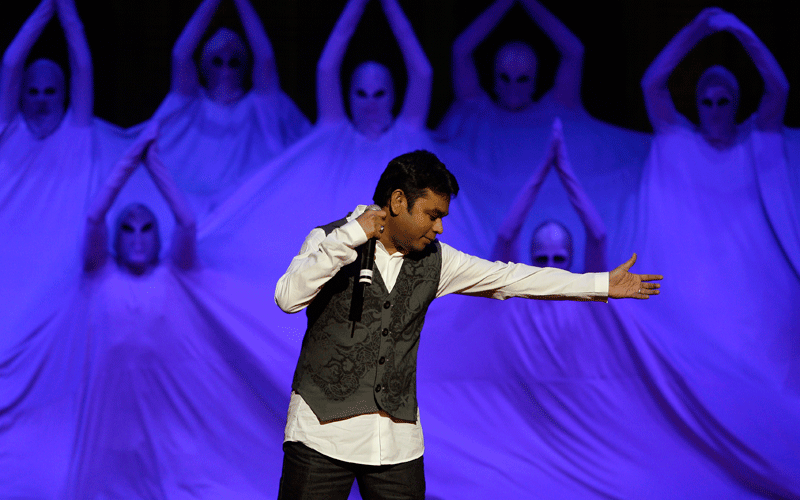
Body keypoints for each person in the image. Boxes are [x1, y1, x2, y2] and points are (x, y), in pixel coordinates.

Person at [273, 149, 661, 499]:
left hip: (395, 444)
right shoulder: (330, 240)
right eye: (433, 215)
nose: (439, 227)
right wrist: (352, 236)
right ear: (397, 202)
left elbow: (511, 279)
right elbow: (288, 298)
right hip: (320, 435)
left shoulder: (437, 261)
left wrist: (599, 284)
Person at [154, 0, 310, 218]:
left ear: (245, 66)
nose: (225, 70)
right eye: (217, 61)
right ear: (204, 66)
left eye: (234, 61)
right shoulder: (188, 105)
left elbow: (265, 58)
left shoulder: (261, 107)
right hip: (189, 211)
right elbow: (180, 55)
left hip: (245, 213)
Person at [491, 118, 607, 272]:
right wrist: (545, 166)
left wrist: (563, 166)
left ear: (570, 259)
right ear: (532, 259)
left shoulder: (585, 294)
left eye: (559, 258)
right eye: (542, 259)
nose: (550, 267)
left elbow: (599, 238)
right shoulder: (516, 294)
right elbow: (505, 238)